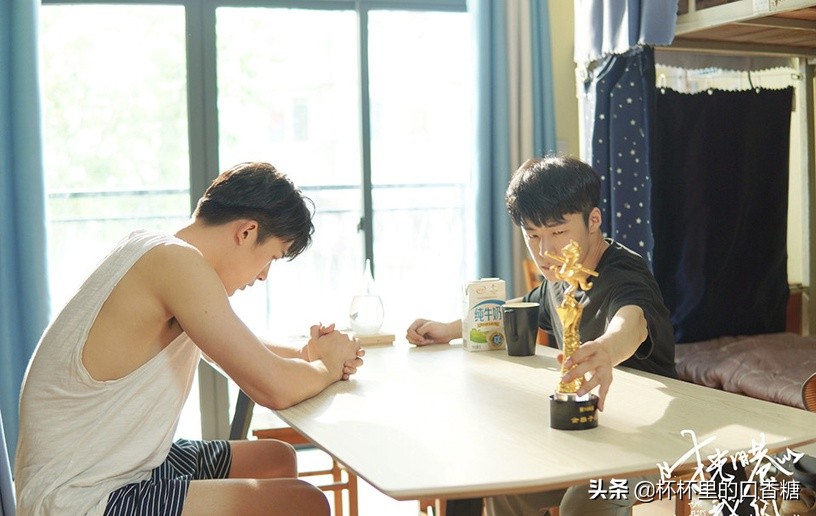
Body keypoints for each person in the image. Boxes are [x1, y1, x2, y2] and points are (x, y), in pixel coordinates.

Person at [15, 162, 365, 516]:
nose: (263, 276)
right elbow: (272, 388)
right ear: (247, 232)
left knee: (274, 459)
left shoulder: (157, 249)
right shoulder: (176, 263)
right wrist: (328, 366)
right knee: (304, 502)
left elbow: (238, 346)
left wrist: (308, 353)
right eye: (270, 258)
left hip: (110, 464)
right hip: (77, 498)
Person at [406, 155, 677, 516]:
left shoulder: (624, 272)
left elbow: (633, 322)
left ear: (593, 220)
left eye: (558, 233)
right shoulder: (559, 280)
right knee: (505, 478)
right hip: (589, 426)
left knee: (586, 500)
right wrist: (451, 328)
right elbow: (521, 308)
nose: (545, 251)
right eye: (533, 235)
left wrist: (605, 350)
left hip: (652, 434)